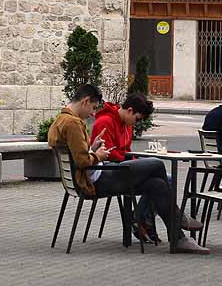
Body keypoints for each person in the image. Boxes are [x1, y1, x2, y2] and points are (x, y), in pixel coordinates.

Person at [49, 84, 208, 254]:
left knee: (157, 184)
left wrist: (92, 148)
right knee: (156, 164)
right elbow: (82, 162)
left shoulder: (60, 120)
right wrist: (99, 156)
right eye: (93, 108)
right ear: (85, 101)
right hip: (96, 180)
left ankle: (178, 237)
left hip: (91, 177)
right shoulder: (73, 123)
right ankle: (176, 223)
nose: (93, 114)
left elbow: (78, 155)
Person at [89, 93, 159, 237]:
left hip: (123, 168)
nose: (136, 123)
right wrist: (134, 161)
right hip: (110, 172)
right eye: (137, 119)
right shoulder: (105, 122)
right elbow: (108, 154)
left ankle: (140, 218)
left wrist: (135, 159)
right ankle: (142, 219)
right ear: (130, 110)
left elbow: (126, 152)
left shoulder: (127, 124)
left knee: (163, 179)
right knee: (158, 172)